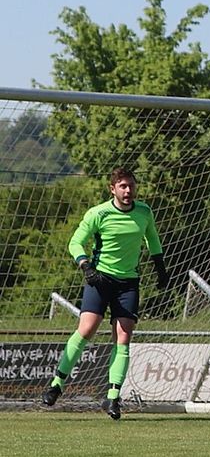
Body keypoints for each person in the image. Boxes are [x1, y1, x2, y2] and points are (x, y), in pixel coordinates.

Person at [40, 167, 170, 420]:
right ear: (112, 189)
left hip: (128, 282)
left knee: (123, 336)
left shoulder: (144, 212)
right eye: (123, 186)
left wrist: (160, 267)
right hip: (100, 279)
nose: (128, 190)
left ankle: (112, 398)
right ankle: (57, 384)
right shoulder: (98, 213)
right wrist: (85, 266)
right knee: (87, 329)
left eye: (131, 185)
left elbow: (152, 238)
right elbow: (75, 242)